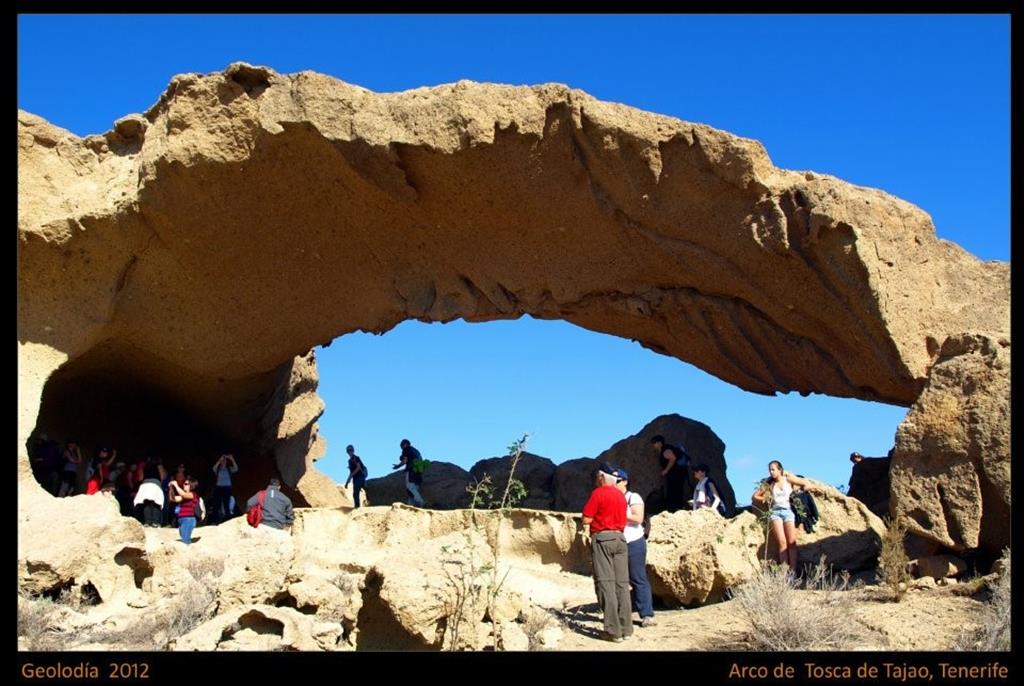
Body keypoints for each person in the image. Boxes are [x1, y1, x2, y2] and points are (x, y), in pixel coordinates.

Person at [581, 463, 633, 642]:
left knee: (606, 583)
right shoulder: (620, 495)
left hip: (603, 538)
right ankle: (626, 628)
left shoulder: (598, 493)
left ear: (602, 476)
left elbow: (587, 518)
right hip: (620, 539)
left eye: (598, 476)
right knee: (622, 584)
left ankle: (612, 631)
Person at [751, 460, 818, 573]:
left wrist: (798, 492)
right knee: (782, 543)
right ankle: (785, 573)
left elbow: (808, 485)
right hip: (775, 513)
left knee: (791, 542)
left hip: (788, 511)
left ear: (780, 469)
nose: (771, 472)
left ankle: (793, 572)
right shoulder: (769, 483)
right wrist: (766, 498)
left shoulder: (788, 479)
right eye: (770, 470)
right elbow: (755, 496)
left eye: (773, 469)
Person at [614, 468, 656, 628]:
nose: (614, 484)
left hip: (633, 541)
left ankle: (647, 614)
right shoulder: (612, 498)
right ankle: (621, 612)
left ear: (625, 481)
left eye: (617, 481)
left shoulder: (633, 497)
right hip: (617, 542)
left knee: (638, 577)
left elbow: (638, 518)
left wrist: (616, 514)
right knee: (619, 579)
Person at [651, 435, 690, 512]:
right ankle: (675, 508)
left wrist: (666, 470)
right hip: (676, 474)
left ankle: (676, 509)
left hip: (676, 474)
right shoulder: (664, 449)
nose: (653, 445)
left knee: (674, 491)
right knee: (674, 491)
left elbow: (673, 459)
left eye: (654, 442)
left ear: (659, 443)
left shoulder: (665, 450)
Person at [392, 439, 425, 507]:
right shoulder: (416, 451)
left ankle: (420, 502)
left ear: (405, 444)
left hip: (411, 469)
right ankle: (410, 505)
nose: (401, 448)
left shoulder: (406, 449)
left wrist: (397, 466)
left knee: (410, 487)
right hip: (419, 470)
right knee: (414, 488)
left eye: (401, 446)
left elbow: (404, 461)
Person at [210, 452, 239, 523]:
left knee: (226, 504)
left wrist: (232, 459)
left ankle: (227, 520)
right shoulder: (218, 469)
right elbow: (213, 468)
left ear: (226, 462)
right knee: (216, 504)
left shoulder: (229, 469)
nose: (223, 462)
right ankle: (215, 520)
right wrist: (219, 460)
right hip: (218, 488)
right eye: (222, 461)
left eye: (225, 460)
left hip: (227, 488)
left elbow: (236, 469)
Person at [169, 477, 199, 544]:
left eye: (186, 484)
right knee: (184, 538)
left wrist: (176, 485)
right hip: (181, 519)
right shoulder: (184, 497)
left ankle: (188, 553)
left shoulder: (193, 494)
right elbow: (172, 498)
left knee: (185, 540)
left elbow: (183, 494)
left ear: (191, 485)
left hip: (188, 519)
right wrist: (171, 488)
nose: (183, 485)